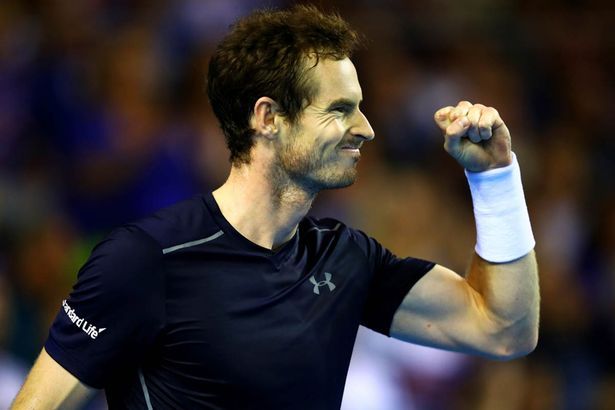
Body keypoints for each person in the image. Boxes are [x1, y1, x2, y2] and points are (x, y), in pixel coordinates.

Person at [12, 5, 539, 409]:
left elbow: (503, 328)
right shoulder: (145, 258)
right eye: (340, 110)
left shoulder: (347, 258)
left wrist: (494, 177)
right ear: (268, 117)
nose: (367, 129)